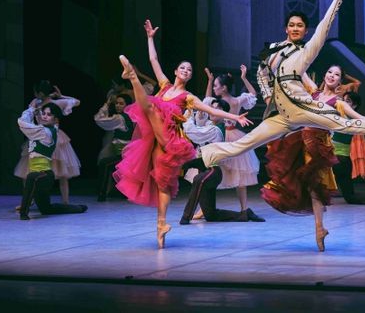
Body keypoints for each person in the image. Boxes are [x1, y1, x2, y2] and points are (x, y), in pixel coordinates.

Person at [200, 0, 365, 191]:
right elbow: (261, 72)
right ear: (286, 28)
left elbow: (324, 28)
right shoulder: (273, 50)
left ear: (305, 30)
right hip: (282, 116)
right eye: (292, 25)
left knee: (349, 125)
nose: (295, 28)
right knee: (247, 142)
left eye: (300, 26)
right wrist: (267, 94)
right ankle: (205, 156)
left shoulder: (306, 52)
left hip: (304, 108)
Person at [113, 19, 252, 249]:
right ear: (176, 71)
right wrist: (150, 38)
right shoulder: (165, 85)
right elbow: (154, 60)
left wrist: (235, 117)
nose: (186, 71)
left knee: (150, 108)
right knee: (163, 183)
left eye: (189, 70)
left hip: (169, 138)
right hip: (153, 139)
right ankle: (161, 226)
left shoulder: (188, 97)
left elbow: (211, 110)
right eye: (183, 68)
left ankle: (133, 77)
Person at [262, 65, 364, 251]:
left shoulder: (339, 103)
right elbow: (301, 70)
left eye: (336, 75)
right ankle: (320, 228)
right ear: (325, 75)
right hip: (300, 141)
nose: (332, 76)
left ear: (340, 81)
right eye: (330, 72)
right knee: (293, 181)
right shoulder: (314, 93)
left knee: (314, 188)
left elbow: (359, 118)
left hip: (318, 147)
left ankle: (319, 228)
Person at [180, 97, 264, 224]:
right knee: (210, 215)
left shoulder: (216, 130)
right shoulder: (209, 125)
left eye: (217, 109)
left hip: (212, 171)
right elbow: (202, 116)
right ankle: (244, 214)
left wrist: (188, 114)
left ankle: (186, 217)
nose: (213, 111)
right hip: (203, 168)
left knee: (198, 179)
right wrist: (198, 109)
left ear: (223, 114)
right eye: (212, 108)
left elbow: (193, 131)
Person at [14, 81, 82, 205]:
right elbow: (28, 115)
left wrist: (60, 96)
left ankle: (65, 202)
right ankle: (30, 200)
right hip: (39, 135)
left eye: (36, 92)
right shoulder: (37, 103)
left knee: (62, 172)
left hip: (53, 137)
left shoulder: (53, 103)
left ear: (40, 93)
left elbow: (77, 101)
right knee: (28, 171)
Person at [17, 102, 88, 220]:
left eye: (49, 115)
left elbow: (22, 122)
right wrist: (36, 112)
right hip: (39, 174)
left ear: (55, 119)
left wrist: (32, 109)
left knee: (31, 177)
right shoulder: (46, 129)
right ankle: (78, 208)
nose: (45, 116)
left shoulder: (45, 132)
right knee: (46, 209)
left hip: (44, 174)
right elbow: (33, 122)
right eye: (44, 113)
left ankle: (23, 213)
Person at [208, 66, 261, 214]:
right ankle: (243, 208)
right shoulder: (236, 101)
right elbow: (253, 93)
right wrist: (244, 78)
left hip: (222, 136)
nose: (214, 88)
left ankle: (204, 208)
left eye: (215, 86)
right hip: (235, 136)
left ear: (224, 88)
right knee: (239, 175)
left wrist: (209, 82)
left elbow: (209, 109)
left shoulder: (219, 103)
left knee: (213, 172)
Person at [94, 93, 134, 201]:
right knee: (106, 162)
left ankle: (102, 194)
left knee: (104, 164)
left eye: (121, 104)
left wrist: (106, 105)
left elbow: (99, 119)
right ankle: (112, 192)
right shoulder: (130, 116)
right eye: (116, 103)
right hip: (125, 153)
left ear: (127, 105)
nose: (117, 106)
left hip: (126, 155)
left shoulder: (120, 118)